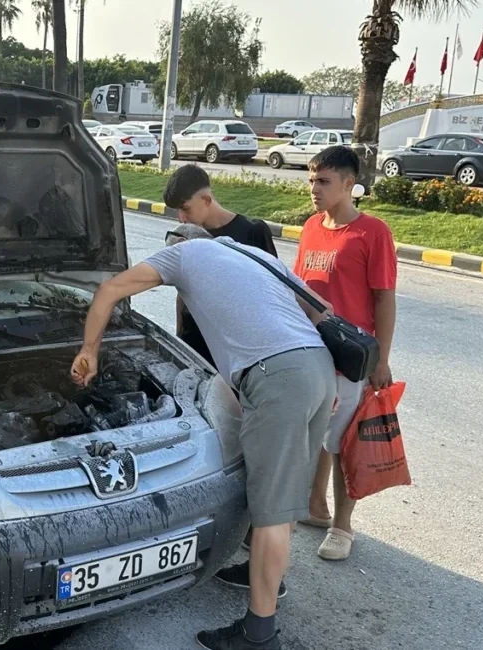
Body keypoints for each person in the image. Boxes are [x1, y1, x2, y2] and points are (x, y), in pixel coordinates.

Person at [70, 228, 337, 650]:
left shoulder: (184, 255)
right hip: (316, 368)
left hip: (276, 379)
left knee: (269, 511)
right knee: (283, 496)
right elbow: (323, 310)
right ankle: (268, 579)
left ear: (178, 243)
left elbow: (109, 291)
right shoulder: (252, 255)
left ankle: (259, 634)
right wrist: (319, 382)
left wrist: (89, 350)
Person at [294, 145, 398, 561]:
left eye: (323, 181)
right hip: (309, 350)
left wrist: (382, 360)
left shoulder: (372, 233)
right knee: (316, 432)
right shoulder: (310, 228)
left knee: (342, 441)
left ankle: (342, 525)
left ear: (349, 185)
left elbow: (384, 301)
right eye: (311, 180)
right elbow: (299, 288)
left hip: (351, 356)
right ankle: (315, 507)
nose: (314, 189)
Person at [163, 164, 278, 366]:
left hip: (237, 347)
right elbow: (182, 292)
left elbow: (272, 290)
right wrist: (179, 336)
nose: (182, 218)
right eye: (178, 211)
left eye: (185, 208)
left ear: (206, 200)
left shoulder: (252, 232)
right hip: (195, 342)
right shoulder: (184, 237)